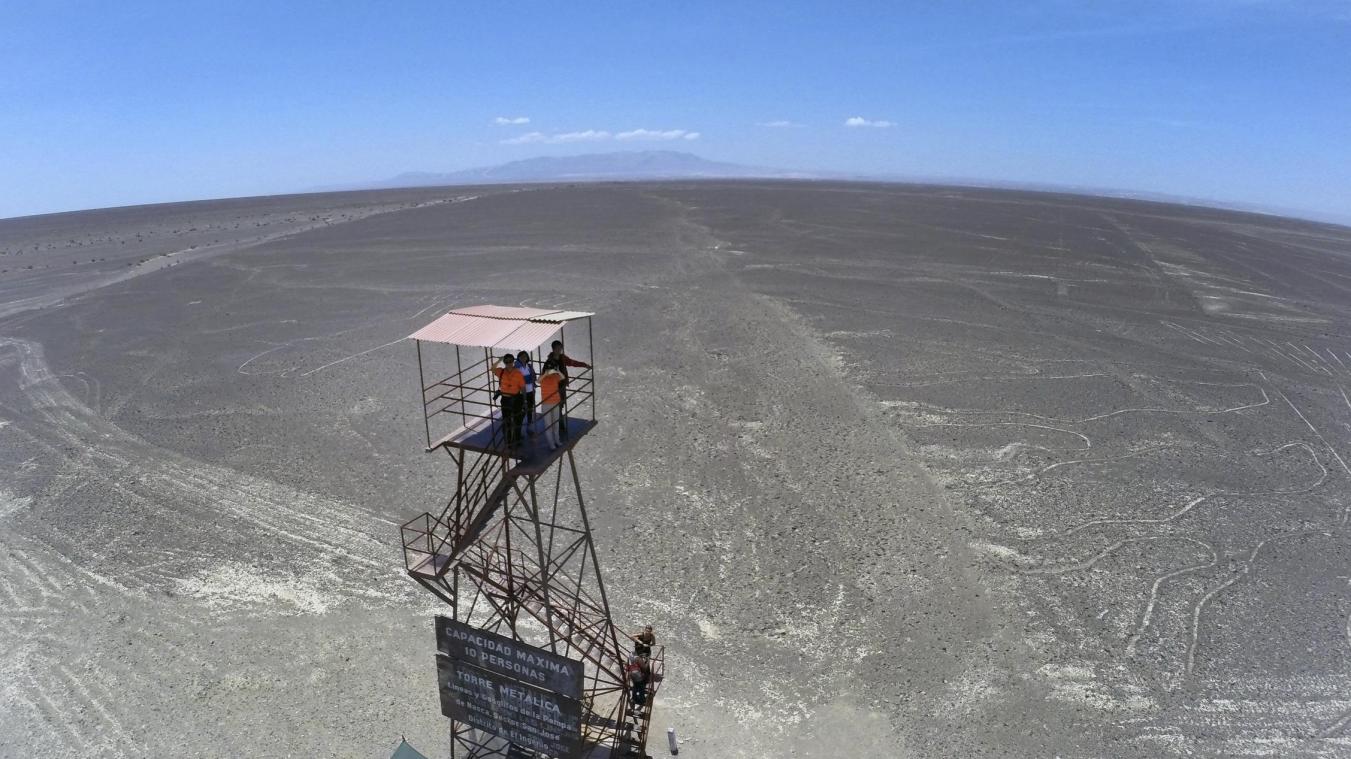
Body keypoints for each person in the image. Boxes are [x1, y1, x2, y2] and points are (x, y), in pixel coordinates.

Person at [541, 340, 590, 442]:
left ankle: (559, 422)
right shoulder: (549, 362)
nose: (559, 350)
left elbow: (572, 363)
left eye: (560, 348)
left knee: (561, 404)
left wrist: (584, 364)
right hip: (554, 387)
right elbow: (543, 375)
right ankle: (559, 423)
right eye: (557, 348)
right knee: (556, 405)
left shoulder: (563, 358)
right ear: (553, 349)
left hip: (561, 385)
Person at [491, 354, 525, 449]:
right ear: (505, 362)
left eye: (510, 361)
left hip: (516, 398)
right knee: (507, 421)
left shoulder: (518, 373)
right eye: (506, 361)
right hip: (505, 399)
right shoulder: (501, 372)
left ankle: (517, 440)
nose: (509, 363)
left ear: (513, 362)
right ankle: (508, 441)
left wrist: (525, 400)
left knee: (517, 421)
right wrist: (499, 360)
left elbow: (523, 387)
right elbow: (492, 369)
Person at [538, 366, 564, 450]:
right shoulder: (542, 378)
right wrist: (545, 374)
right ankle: (551, 444)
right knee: (548, 425)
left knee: (556, 423)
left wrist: (558, 371)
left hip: (555, 403)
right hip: (546, 404)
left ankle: (557, 440)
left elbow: (563, 377)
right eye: (548, 369)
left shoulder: (555, 377)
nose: (550, 370)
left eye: (550, 369)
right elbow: (538, 381)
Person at [515, 350, 537, 440]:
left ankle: (529, 427)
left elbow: (534, 377)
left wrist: (527, 379)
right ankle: (518, 431)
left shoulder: (529, 366)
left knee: (530, 409)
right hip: (522, 393)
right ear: (518, 358)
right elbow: (521, 380)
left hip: (531, 390)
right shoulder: (517, 367)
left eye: (525, 356)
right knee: (522, 411)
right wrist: (528, 379)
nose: (524, 358)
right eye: (522, 357)